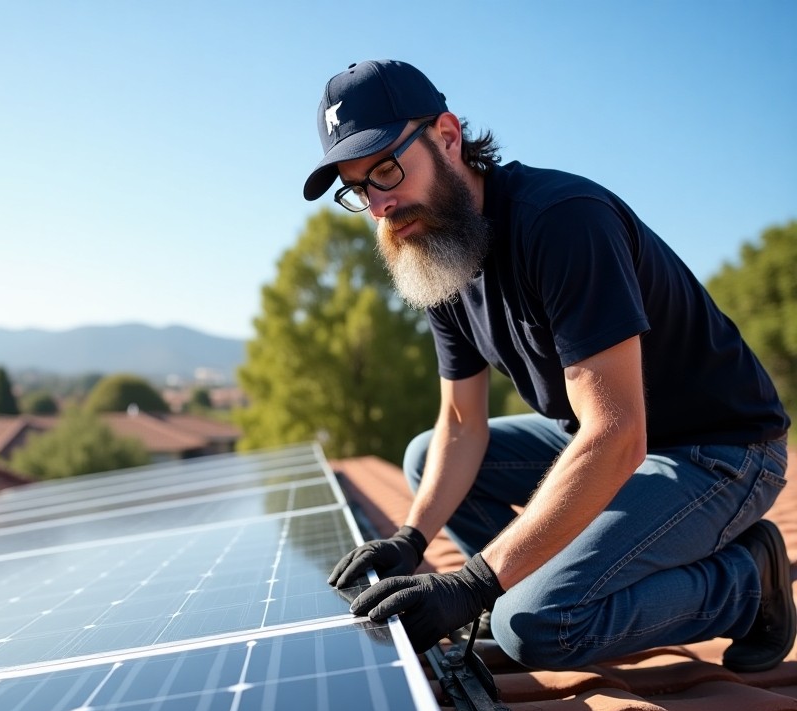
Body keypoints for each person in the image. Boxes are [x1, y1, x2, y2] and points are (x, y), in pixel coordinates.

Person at [306, 59, 794, 671]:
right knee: (426, 454)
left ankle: (748, 582)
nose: (380, 204)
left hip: (718, 453)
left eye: (386, 169)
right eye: (359, 188)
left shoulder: (561, 221)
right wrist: (412, 539)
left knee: (537, 625)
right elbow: (461, 424)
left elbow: (618, 435)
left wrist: (474, 583)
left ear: (448, 137)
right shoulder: (438, 251)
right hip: (605, 444)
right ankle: (527, 589)